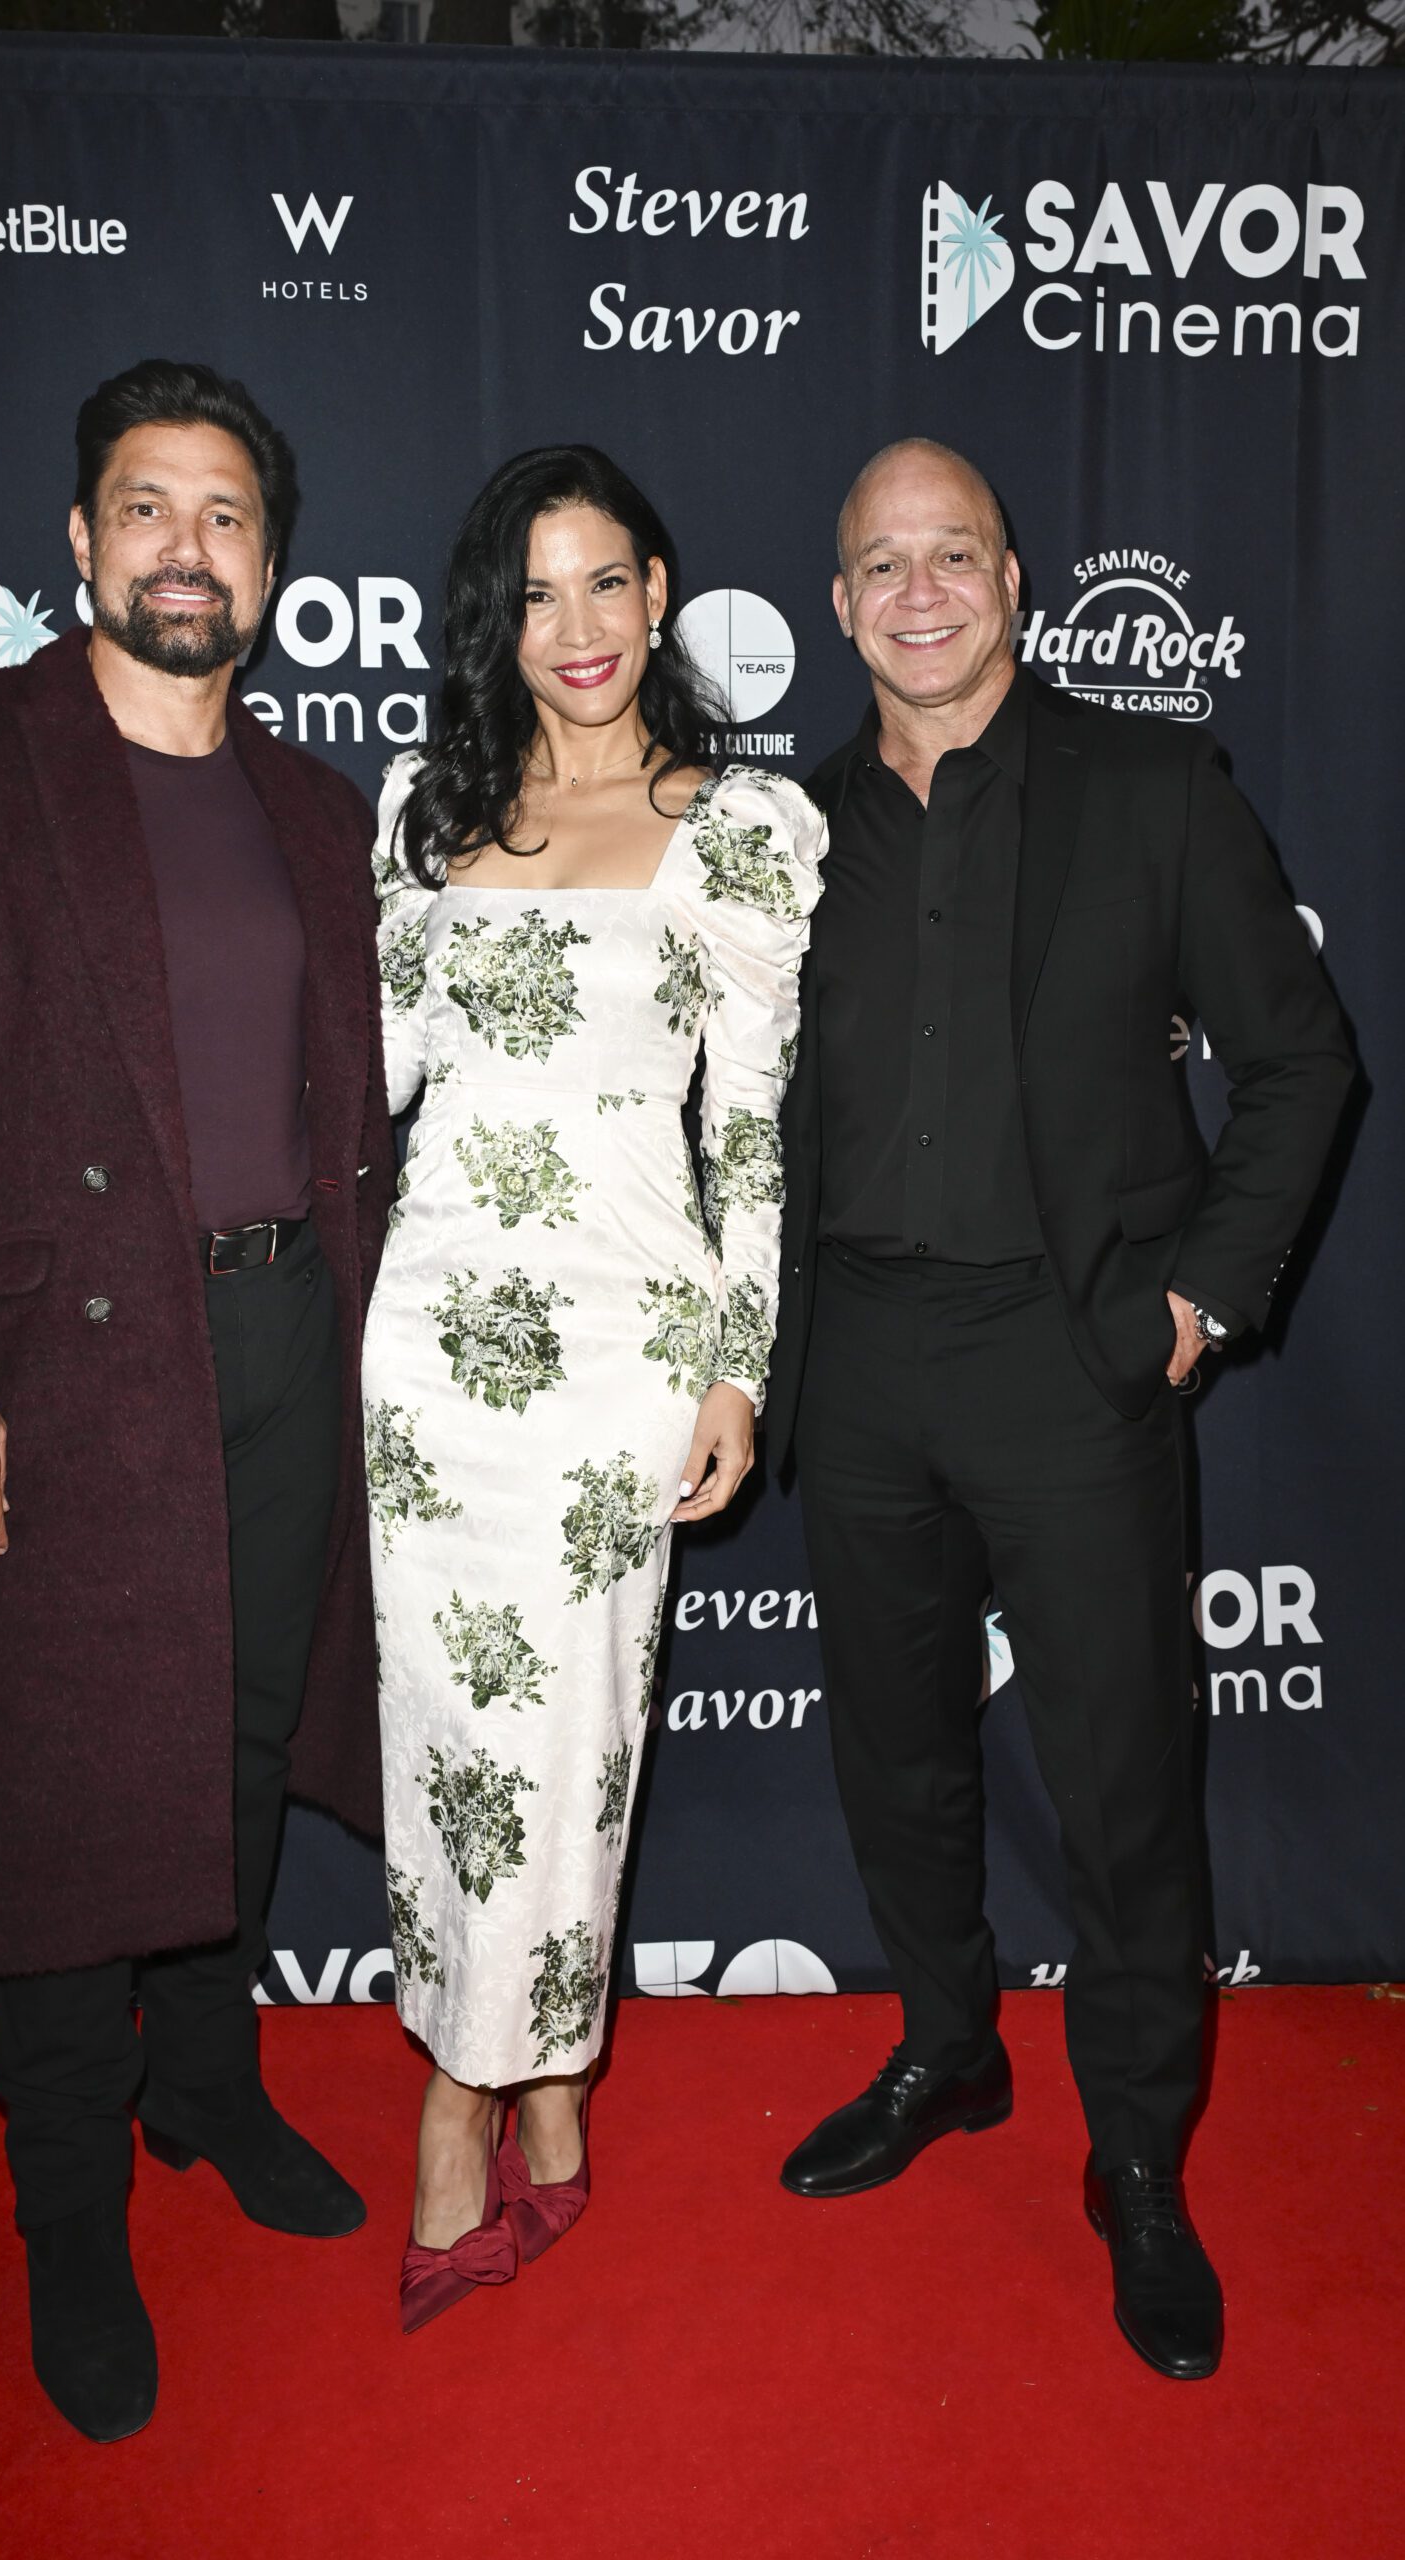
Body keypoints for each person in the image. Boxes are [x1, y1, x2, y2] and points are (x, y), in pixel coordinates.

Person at [0, 359, 395, 2442]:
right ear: (77, 540)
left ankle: (205, 2085)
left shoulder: (315, 810)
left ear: (272, 565)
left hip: (286, 1343)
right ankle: (69, 2204)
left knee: (234, 1747)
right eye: (146, 507)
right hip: (55, 1376)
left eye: (224, 516)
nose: (184, 550)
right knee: (68, 1801)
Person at [772, 438, 1352, 2380]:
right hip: (856, 1359)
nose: (919, 593)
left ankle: (1137, 2156)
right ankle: (947, 2047)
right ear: (838, 604)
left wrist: (1197, 1295)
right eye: (882, 565)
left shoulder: (1150, 787)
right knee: (894, 1751)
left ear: (1013, 579)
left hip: (1072, 1355)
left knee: (1117, 1787)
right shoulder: (783, 835)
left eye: (952, 555)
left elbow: (1298, 1062)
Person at [364, 445, 825, 2329]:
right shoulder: (423, 812)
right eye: (537, 593)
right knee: (446, 1751)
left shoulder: (742, 828)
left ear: (659, 594)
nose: (578, 628)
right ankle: (542, 2080)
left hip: (623, 1346)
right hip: (428, 1353)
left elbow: (754, 1134)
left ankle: (461, 2108)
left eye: (608, 584)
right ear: (499, 618)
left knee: (567, 1745)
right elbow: (369, 1089)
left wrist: (736, 1367)